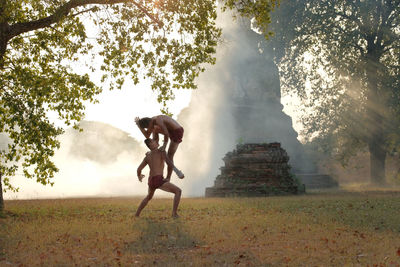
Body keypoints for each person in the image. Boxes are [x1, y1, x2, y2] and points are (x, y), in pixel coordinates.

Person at [135, 138, 184, 218]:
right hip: (158, 179)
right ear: (151, 145)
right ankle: (174, 214)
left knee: (148, 197)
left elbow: (139, 169)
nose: (156, 142)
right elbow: (169, 162)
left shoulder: (148, 156)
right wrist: (178, 172)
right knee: (178, 191)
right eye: (154, 141)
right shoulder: (161, 152)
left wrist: (139, 176)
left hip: (151, 180)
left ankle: (137, 214)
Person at [135, 115, 184, 182]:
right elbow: (148, 136)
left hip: (176, 131)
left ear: (149, 124)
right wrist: (138, 125)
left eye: (147, 128)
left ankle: (169, 177)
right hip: (169, 132)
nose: (149, 130)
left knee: (170, 155)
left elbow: (166, 133)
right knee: (154, 140)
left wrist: (164, 145)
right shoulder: (153, 125)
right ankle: (152, 153)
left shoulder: (158, 119)